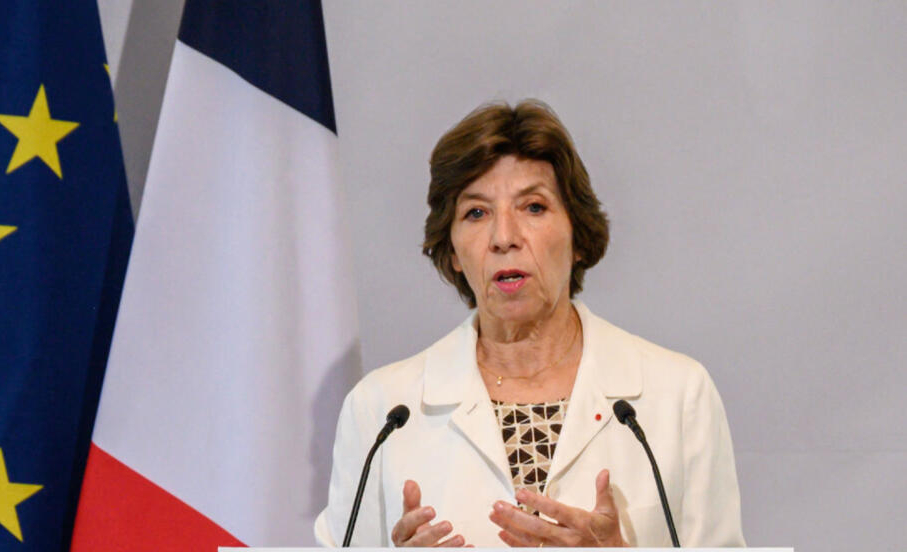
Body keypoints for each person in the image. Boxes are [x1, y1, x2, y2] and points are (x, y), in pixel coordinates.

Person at [314, 100, 745, 547]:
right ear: (453, 251)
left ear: (578, 236)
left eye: (533, 207)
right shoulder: (381, 410)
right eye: (476, 213)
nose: (504, 237)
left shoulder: (678, 395)